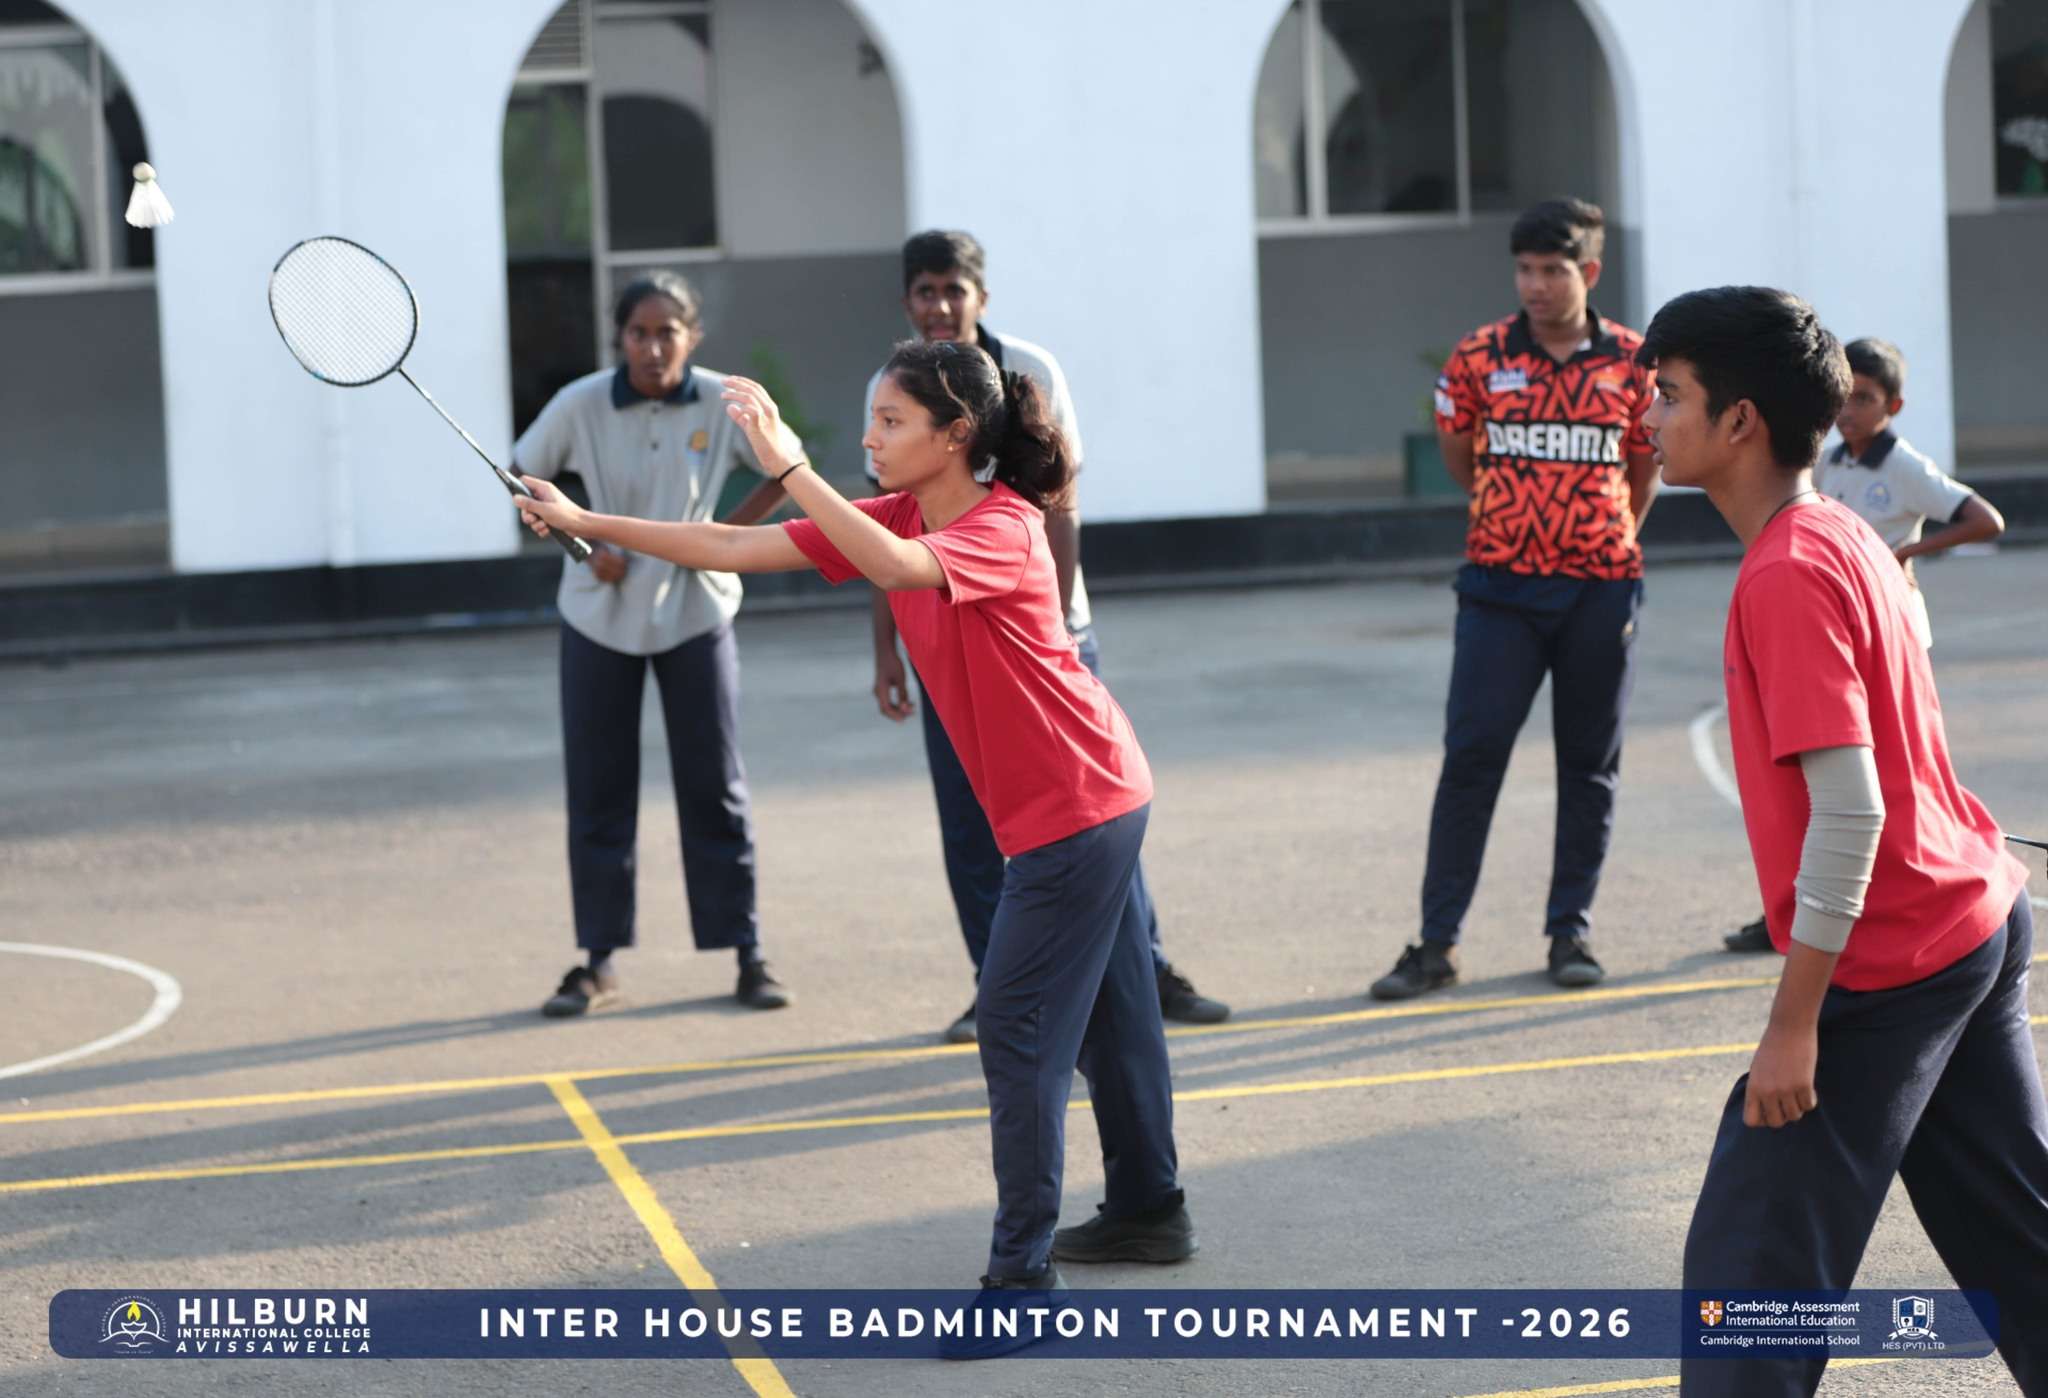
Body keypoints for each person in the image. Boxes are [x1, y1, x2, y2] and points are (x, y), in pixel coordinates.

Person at [513, 340, 1197, 1358]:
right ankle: (1147, 1210)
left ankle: (1021, 1278)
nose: (869, 438)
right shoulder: (904, 512)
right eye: (868, 420)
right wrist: (580, 519)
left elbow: (894, 570)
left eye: (889, 423)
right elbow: (737, 550)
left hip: (1077, 811)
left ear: (955, 435)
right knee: (1099, 1016)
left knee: (1014, 1033)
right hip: (1087, 796)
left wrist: (787, 460)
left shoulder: (1001, 528)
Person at [1637, 285, 2047, 1398]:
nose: (1647, 418)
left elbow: (1851, 810)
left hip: (1897, 955)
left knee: (1748, 1285)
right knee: (2020, 1242)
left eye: (1666, 394)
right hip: (1971, 916)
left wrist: (1792, 1025)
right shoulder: (1841, 534)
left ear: (1737, 424)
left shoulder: (1785, 570)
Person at [863, 230, 1228, 1041]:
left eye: (954, 289)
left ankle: (1147, 969)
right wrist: (886, 648)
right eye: (925, 290)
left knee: (1089, 817)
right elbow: (880, 535)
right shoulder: (892, 387)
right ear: (908, 303)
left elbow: (1058, 503)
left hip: (1045, 635)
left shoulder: (1026, 371)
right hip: (944, 636)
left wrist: (1056, 626)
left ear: (981, 298)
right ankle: (996, 977)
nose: (940, 304)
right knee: (972, 820)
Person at [1370, 198, 1659, 1001]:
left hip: (1601, 589)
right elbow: (1462, 461)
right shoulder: (1476, 358)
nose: (1536, 285)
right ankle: (1436, 943)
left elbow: (1645, 477)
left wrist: (1598, 540)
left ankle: (1571, 932)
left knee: (1588, 765)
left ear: (1588, 273)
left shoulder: (1634, 364)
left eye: (1553, 270)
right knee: (1471, 758)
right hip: (1500, 588)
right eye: (1525, 269)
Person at [513, 272, 792, 1017]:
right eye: (638, 332)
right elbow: (521, 472)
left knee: (716, 787)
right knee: (600, 791)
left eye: (668, 331)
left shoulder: (723, 399)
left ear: (693, 337)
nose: (652, 345)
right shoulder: (580, 402)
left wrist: (732, 538)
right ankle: (597, 960)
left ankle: (746, 951)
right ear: (620, 338)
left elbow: (785, 468)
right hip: (597, 620)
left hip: (697, 618)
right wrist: (578, 543)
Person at [1722, 336, 2004, 953]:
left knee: (1870, 785)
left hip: (1886, 627)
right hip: (1830, 619)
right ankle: (1796, 905)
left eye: (1867, 397)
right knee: (1814, 786)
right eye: (1845, 394)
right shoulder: (1828, 461)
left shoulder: (1903, 467)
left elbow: (1985, 519)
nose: (1851, 408)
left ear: (1893, 407)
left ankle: (1875, 907)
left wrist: (1903, 550)